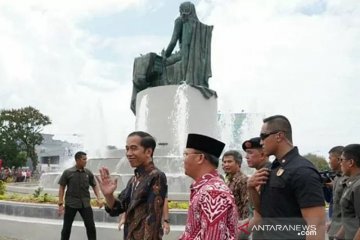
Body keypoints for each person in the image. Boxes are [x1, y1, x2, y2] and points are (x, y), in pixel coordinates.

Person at [247, 115, 325, 239]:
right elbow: (264, 212)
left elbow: (316, 225)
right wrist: (251, 188)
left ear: (279, 136)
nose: (261, 142)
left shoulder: (302, 170)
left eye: (263, 136)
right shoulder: (273, 168)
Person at [96, 131, 167, 240]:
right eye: (127, 148)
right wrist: (109, 195)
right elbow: (118, 208)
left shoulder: (156, 176)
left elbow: (153, 219)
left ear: (148, 152)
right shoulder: (134, 180)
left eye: (133, 148)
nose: (128, 153)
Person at [179, 133, 238, 239]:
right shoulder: (204, 188)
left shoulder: (213, 192)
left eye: (186, 155)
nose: (183, 160)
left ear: (200, 158)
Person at [163, 1, 213, 87]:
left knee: (164, 63)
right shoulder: (200, 26)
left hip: (183, 54)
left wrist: (165, 55)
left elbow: (173, 42)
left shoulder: (180, 20)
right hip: (198, 59)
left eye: (180, 10)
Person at [58, 151, 103, 240]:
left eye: (86, 159)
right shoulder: (68, 172)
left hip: (85, 204)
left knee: (91, 227)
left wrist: (99, 198)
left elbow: (94, 185)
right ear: (77, 160)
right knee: (66, 228)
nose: (86, 161)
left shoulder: (88, 173)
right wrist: (60, 203)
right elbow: (62, 187)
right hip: (71, 203)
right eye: (84, 159)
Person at [242, 137, 270, 239]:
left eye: (250, 153)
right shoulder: (260, 173)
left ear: (262, 154)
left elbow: (258, 217)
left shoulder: (265, 175)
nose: (246, 157)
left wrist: (236, 234)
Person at [335, 144, 360, 240]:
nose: (340, 163)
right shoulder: (352, 183)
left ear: (351, 162)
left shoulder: (358, 186)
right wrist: (337, 237)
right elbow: (350, 219)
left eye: (342, 160)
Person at [222, 150, 249, 239]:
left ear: (238, 163)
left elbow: (246, 206)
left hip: (239, 226)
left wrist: (243, 230)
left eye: (229, 162)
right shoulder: (229, 179)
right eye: (224, 162)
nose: (226, 164)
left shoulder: (243, 180)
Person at [326, 146, 346, 240]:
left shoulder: (351, 180)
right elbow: (333, 201)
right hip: (334, 227)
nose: (329, 161)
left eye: (330, 158)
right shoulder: (337, 178)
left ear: (339, 159)